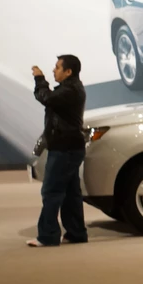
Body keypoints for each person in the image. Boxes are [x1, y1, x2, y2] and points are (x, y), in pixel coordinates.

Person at [29, 54, 88, 248]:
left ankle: (48, 236)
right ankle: (76, 233)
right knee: (70, 193)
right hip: (68, 147)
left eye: (57, 67)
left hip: (65, 148)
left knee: (51, 191)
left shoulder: (70, 90)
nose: (54, 70)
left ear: (68, 71)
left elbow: (46, 98)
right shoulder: (69, 89)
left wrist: (39, 79)